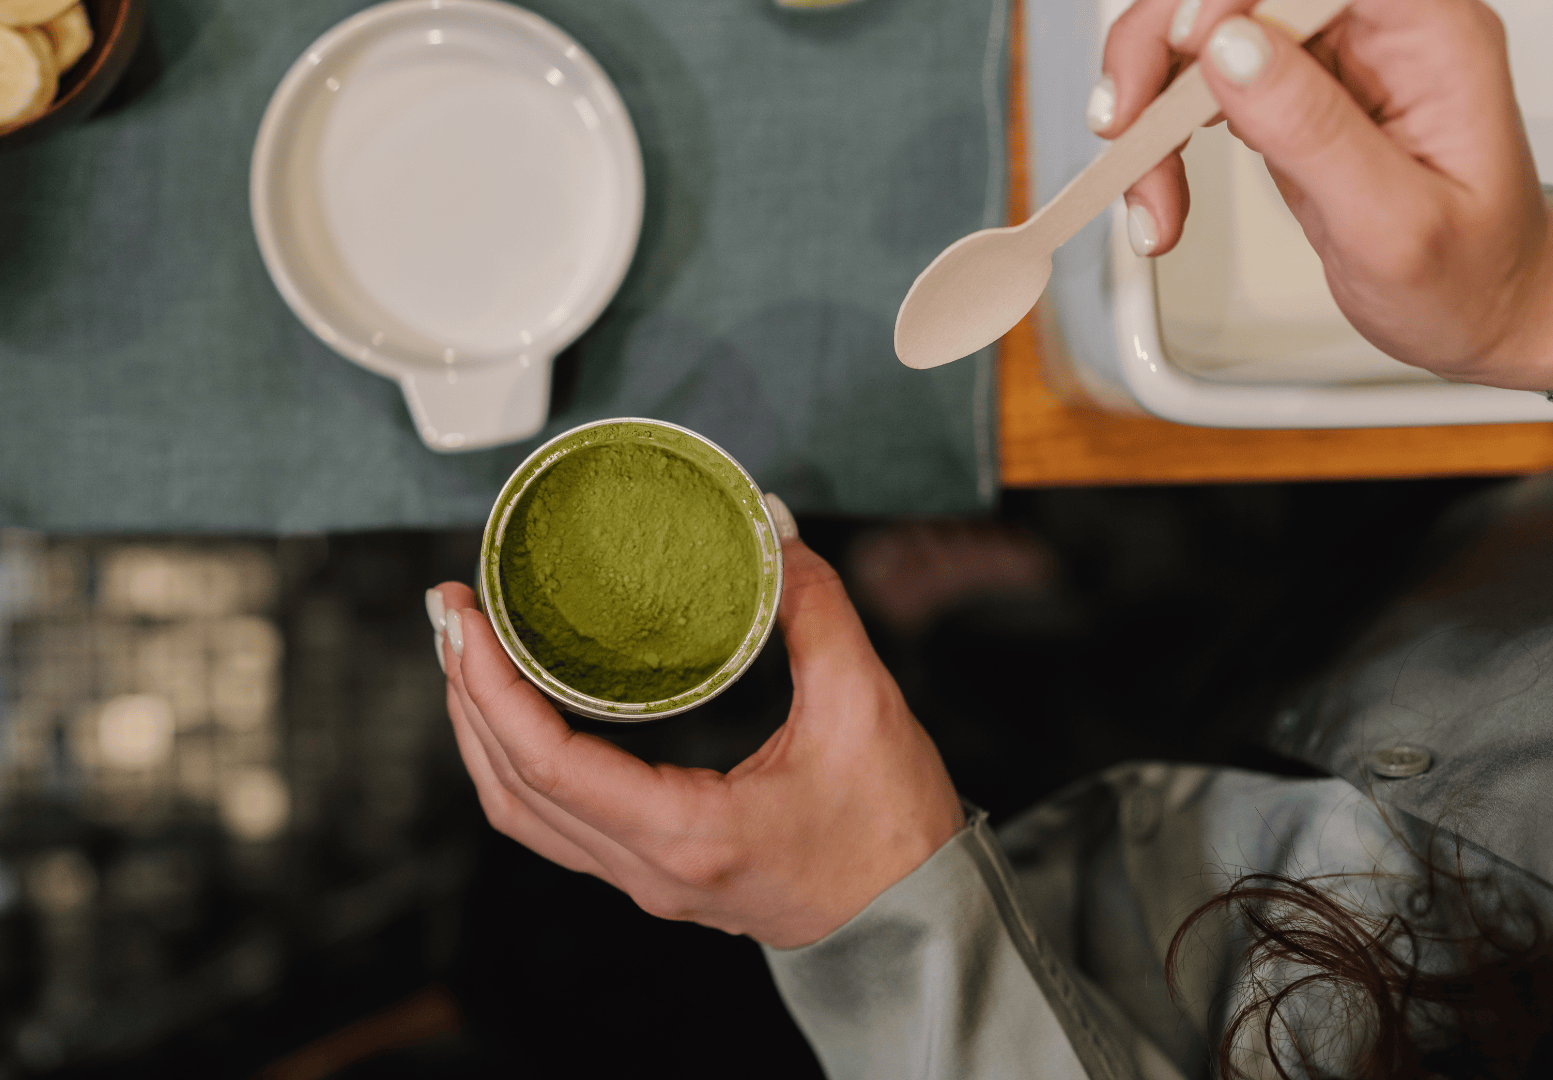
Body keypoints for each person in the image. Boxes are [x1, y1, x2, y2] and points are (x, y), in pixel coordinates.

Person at [424, 0, 1553, 1075]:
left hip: (1109, 860)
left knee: (557, 985)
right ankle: (1005, 626)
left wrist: (885, 922)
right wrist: (1526, 314)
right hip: (1374, 609)